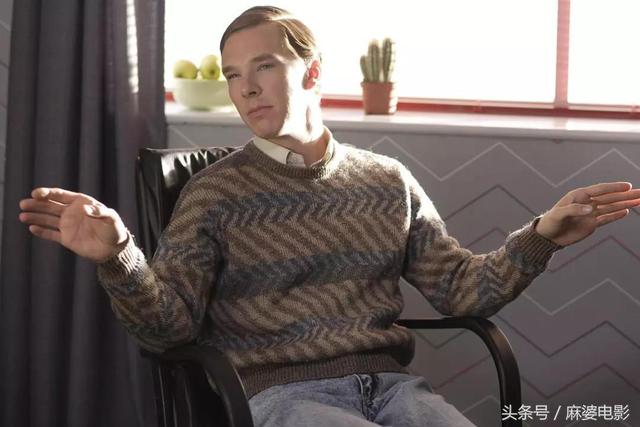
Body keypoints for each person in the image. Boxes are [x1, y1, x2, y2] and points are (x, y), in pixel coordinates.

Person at [17, 6, 640, 427]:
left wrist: (542, 238)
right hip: (280, 400)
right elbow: (168, 330)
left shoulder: (386, 181)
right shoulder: (213, 195)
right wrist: (121, 257)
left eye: (264, 66)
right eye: (233, 75)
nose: (245, 88)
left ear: (312, 71)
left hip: (395, 392)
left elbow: (461, 291)